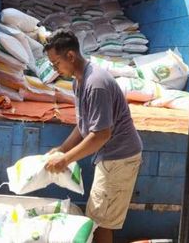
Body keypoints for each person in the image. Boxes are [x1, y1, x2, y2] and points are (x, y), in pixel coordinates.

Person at [44, 30, 142, 243]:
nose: (55, 70)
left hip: (119, 158)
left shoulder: (95, 83)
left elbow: (100, 135)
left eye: (56, 64)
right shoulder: (78, 81)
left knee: (100, 223)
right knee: (98, 218)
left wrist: (66, 159)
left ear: (70, 56)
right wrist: (62, 149)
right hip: (111, 157)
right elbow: (84, 126)